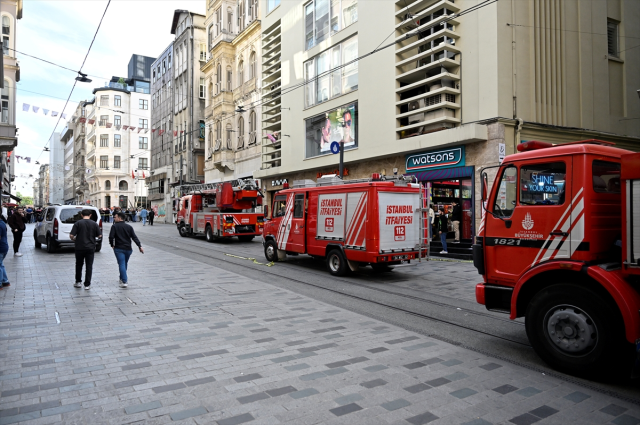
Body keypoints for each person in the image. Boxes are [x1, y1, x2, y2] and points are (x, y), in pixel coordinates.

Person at [109, 212, 144, 289]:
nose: (114, 218)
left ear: (119, 218)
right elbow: (134, 237)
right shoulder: (129, 227)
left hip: (119, 248)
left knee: (121, 263)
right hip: (128, 249)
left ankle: (124, 281)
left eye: (115, 217)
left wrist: (112, 245)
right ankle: (122, 277)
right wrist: (139, 246)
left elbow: (111, 237)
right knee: (124, 263)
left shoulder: (114, 226)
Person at [69, 210, 102, 290]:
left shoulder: (78, 223)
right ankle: (87, 284)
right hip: (90, 247)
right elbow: (100, 235)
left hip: (79, 247)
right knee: (89, 266)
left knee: (79, 264)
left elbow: (71, 235)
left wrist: (74, 239)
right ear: (90, 215)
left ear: (81, 215)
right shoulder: (94, 224)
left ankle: (78, 282)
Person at [0, 214, 10, 289]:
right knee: (1, 265)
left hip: (1, 247)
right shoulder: (2, 222)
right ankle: (5, 281)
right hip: (4, 246)